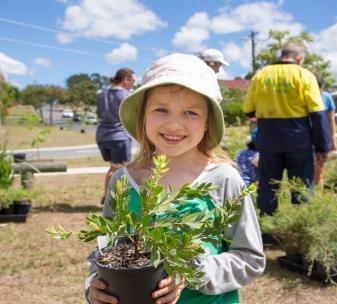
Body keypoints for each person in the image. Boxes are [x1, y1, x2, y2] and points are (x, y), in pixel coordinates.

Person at [85, 53, 265, 304]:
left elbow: (250, 259)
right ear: (143, 116)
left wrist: (190, 272)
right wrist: (94, 288)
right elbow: (105, 251)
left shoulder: (224, 179)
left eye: (190, 113)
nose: (173, 124)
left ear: (207, 123)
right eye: (161, 109)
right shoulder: (123, 181)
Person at [243, 42, 331, 216]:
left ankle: (266, 232)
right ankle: (300, 226)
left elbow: (248, 109)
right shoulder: (305, 75)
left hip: (268, 141)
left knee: (268, 186)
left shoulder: (260, 76)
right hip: (299, 141)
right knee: (301, 187)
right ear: (299, 59)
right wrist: (322, 146)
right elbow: (318, 114)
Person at [96, 68, 136, 204]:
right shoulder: (126, 95)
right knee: (121, 170)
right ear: (125, 79)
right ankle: (115, 200)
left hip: (102, 136)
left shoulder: (102, 94)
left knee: (113, 167)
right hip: (118, 136)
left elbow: (99, 114)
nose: (134, 84)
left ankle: (107, 196)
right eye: (133, 81)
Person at [313, 72, 337, 191]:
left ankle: (317, 199)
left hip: (322, 139)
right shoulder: (301, 97)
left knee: (319, 170)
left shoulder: (326, 97)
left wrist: (333, 141)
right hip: (304, 139)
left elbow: (331, 120)